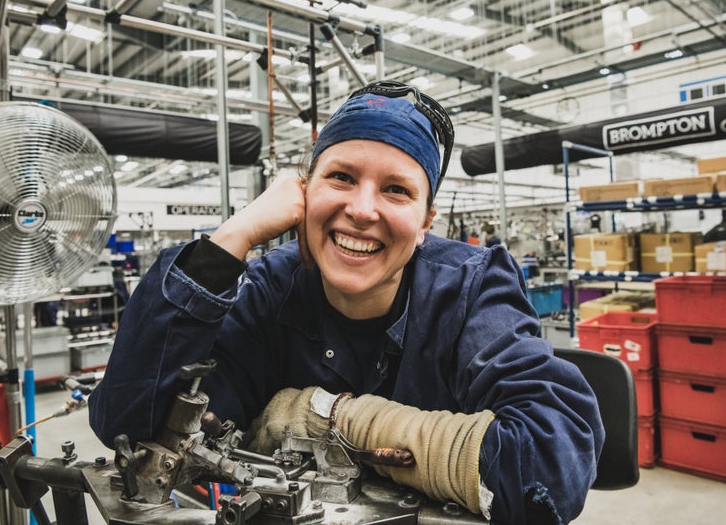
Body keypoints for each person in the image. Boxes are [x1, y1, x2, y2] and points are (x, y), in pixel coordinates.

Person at [88, 80, 603, 524]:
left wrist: (328, 419)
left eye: (396, 190)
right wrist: (231, 239)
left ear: (426, 222)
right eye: (341, 177)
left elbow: (548, 465)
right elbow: (130, 430)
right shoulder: (273, 288)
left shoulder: (470, 289)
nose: (361, 209)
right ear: (304, 190)